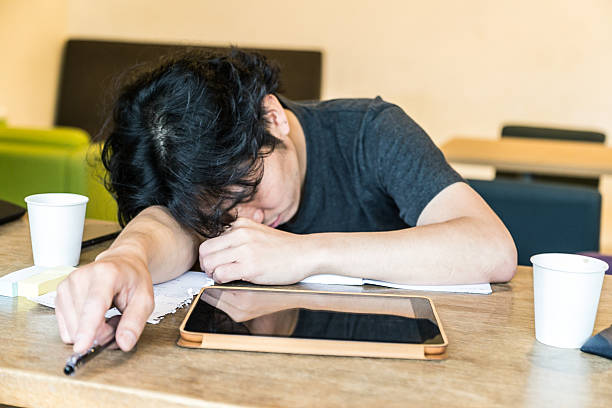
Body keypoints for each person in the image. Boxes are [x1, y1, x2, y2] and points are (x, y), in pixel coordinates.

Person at [55, 49, 517, 355]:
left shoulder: (372, 133)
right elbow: (165, 226)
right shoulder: (211, 176)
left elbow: (491, 249)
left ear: (272, 118)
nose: (247, 222)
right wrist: (127, 257)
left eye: (249, 192)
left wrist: (305, 253)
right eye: (218, 216)